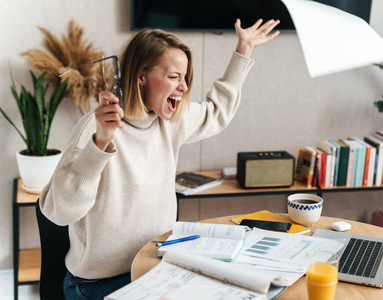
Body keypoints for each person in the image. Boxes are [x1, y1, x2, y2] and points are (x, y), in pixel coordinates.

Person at [40, 18, 280, 300]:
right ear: (141, 75)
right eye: (174, 76)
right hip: (95, 284)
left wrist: (244, 49)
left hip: (155, 267)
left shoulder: (171, 121)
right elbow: (59, 212)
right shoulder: (93, 130)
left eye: (186, 77)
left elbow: (216, 111)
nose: (183, 86)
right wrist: (100, 143)